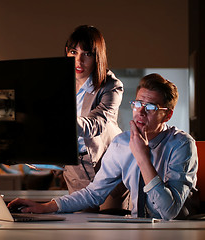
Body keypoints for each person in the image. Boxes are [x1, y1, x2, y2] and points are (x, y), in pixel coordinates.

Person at [8, 73, 198, 220]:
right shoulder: (122, 143)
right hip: (136, 228)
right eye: (138, 103)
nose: (140, 112)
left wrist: (142, 158)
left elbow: (168, 212)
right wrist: (46, 207)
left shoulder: (181, 145)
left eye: (150, 107)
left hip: (173, 231)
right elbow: (93, 193)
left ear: (167, 115)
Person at [62, 25, 129, 212]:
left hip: (108, 169)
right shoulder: (60, 85)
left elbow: (97, 123)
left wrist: (59, 121)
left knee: (111, 227)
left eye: (87, 54)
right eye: (73, 52)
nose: (79, 60)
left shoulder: (111, 86)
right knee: (81, 230)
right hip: (76, 170)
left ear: (97, 57)